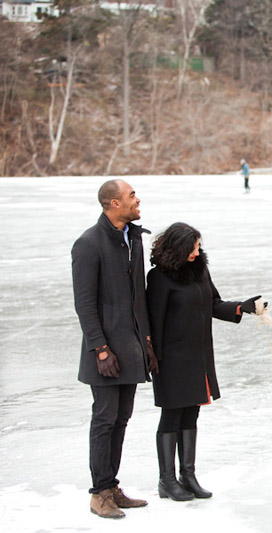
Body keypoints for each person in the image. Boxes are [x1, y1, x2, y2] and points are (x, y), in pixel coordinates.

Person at [146, 222, 263, 501]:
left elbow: (212, 304)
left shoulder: (200, 271)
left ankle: (188, 476)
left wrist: (241, 308)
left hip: (198, 356)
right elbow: (153, 320)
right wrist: (153, 357)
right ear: (178, 247)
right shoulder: (160, 278)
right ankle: (166, 480)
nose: (198, 252)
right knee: (172, 415)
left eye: (199, 246)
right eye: (193, 247)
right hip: (170, 359)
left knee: (191, 414)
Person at [71, 179, 159, 519]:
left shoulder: (132, 239)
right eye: (131, 196)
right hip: (105, 351)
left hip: (133, 346)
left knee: (121, 419)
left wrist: (147, 342)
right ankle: (99, 493)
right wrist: (100, 349)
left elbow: (139, 299)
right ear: (113, 204)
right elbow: (85, 304)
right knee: (105, 419)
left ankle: (111, 486)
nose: (137, 200)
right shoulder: (88, 245)